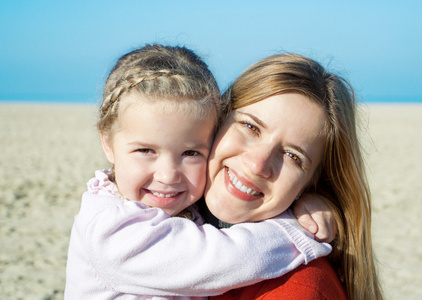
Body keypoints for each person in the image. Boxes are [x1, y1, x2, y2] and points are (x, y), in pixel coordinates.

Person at [64, 44, 333, 299]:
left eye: (191, 153)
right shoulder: (112, 232)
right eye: (146, 151)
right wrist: (297, 230)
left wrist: (304, 201)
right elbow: (226, 259)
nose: (168, 176)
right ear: (108, 143)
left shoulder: (180, 207)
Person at [205, 53, 383, 299]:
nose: (258, 165)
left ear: (311, 184)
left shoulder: (299, 290)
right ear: (217, 118)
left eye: (292, 156)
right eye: (250, 127)